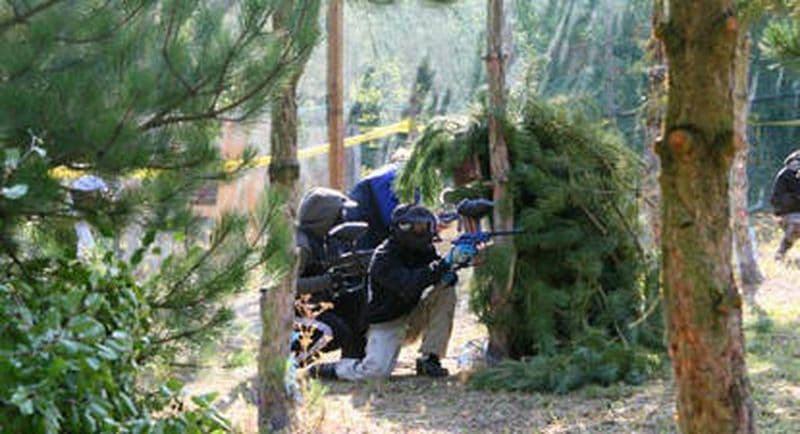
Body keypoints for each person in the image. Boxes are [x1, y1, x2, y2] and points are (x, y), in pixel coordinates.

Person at [309, 204, 474, 380]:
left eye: (425, 227)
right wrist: (445, 264)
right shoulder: (384, 257)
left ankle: (430, 359)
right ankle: (331, 370)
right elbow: (409, 284)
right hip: (386, 322)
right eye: (417, 227)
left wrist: (452, 268)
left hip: (411, 315)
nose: (422, 232)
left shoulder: (424, 250)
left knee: (445, 290)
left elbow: (435, 273)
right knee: (375, 372)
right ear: (402, 228)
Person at [295, 187, 368, 363]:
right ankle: (291, 363)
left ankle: (352, 361)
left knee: (356, 300)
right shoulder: (301, 246)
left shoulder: (322, 240)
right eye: (339, 213)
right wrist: (326, 281)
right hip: (292, 314)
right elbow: (286, 288)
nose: (342, 217)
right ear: (324, 215)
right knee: (334, 330)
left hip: (312, 306)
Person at [346, 148, 412, 249]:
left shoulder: (387, 171)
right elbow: (393, 218)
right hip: (370, 213)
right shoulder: (406, 176)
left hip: (357, 207)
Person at [770, 150, 800, 261]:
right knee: (797, 224)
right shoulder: (787, 175)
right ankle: (780, 253)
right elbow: (777, 201)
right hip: (789, 214)